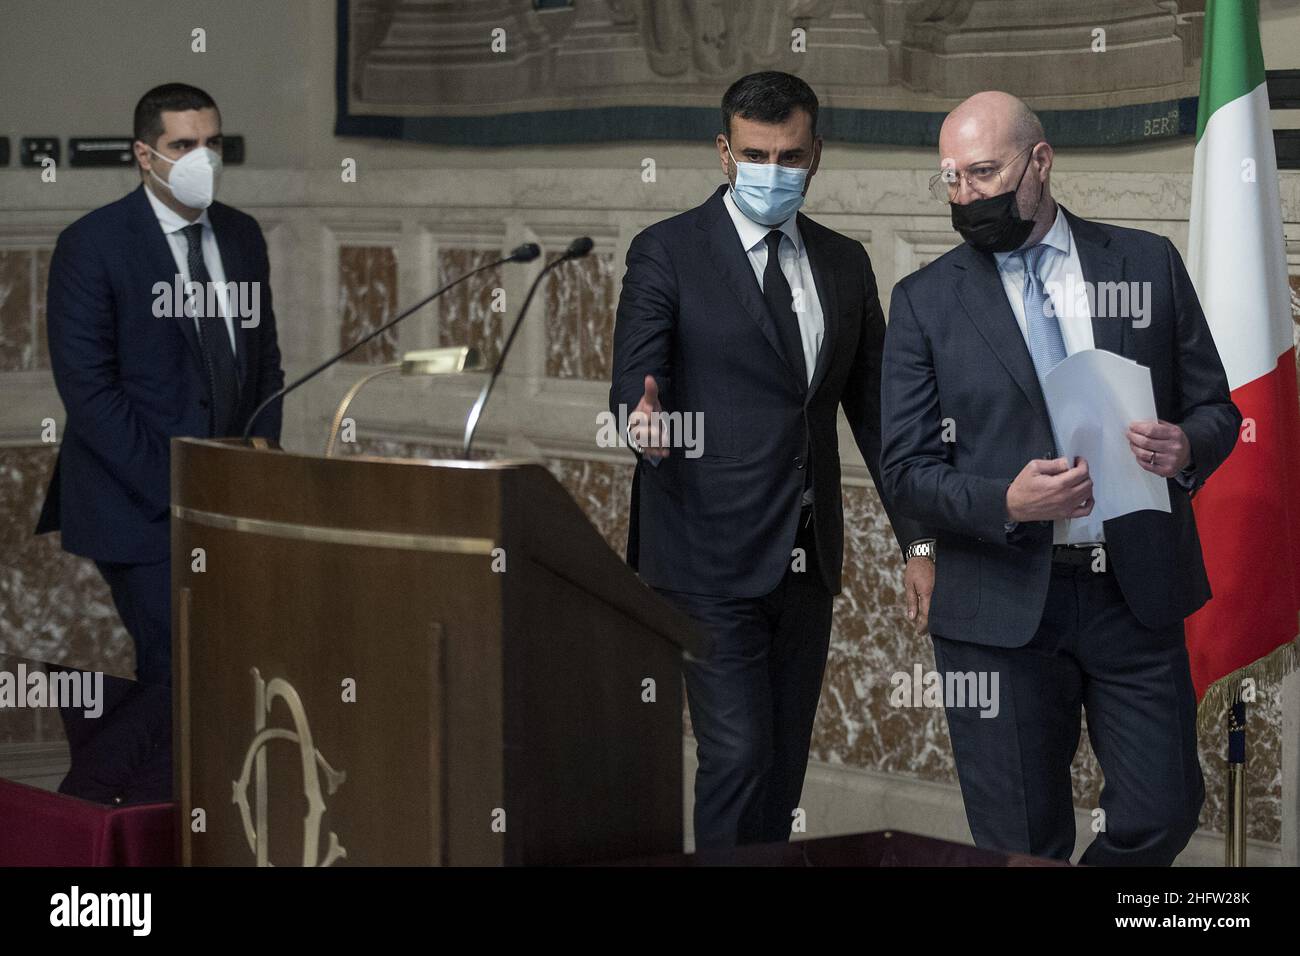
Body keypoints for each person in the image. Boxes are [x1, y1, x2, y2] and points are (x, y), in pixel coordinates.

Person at [880, 91, 1240, 865]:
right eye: (950, 179)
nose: (965, 195)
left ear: (1039, 162)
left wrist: (1186, 446)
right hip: (996, 606)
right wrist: (1005, 501)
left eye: (983, 172)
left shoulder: (1144, 264)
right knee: (1020, 846)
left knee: (1165, 811)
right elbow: (906, 471)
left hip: (1132, 592)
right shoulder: (923, 302)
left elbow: (1215, 407)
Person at [610, 71, 933, 849]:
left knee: (782, 768)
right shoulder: (668, 251)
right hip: (705, 556)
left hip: (805, 560)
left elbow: (883, 419)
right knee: (739, 757)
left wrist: (919, 543)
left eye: (791, 156)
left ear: (817, 154)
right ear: (724, 152)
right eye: (757, 154)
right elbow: (635, 378)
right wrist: (640, 419)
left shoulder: (845, 264)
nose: (774, 170)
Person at [36, 83, 285, 688]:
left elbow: (264, 362)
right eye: (184, 144)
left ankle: (202, 782)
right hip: (138, 504)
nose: (204, 157)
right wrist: (180, 488)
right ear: (145, 155)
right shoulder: (92, 245)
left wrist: (256, 465)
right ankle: (161, 783)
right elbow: (90, 392)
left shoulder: (242, 235)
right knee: (181, 667)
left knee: (234, 662)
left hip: (230, 500)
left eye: (213, 142)